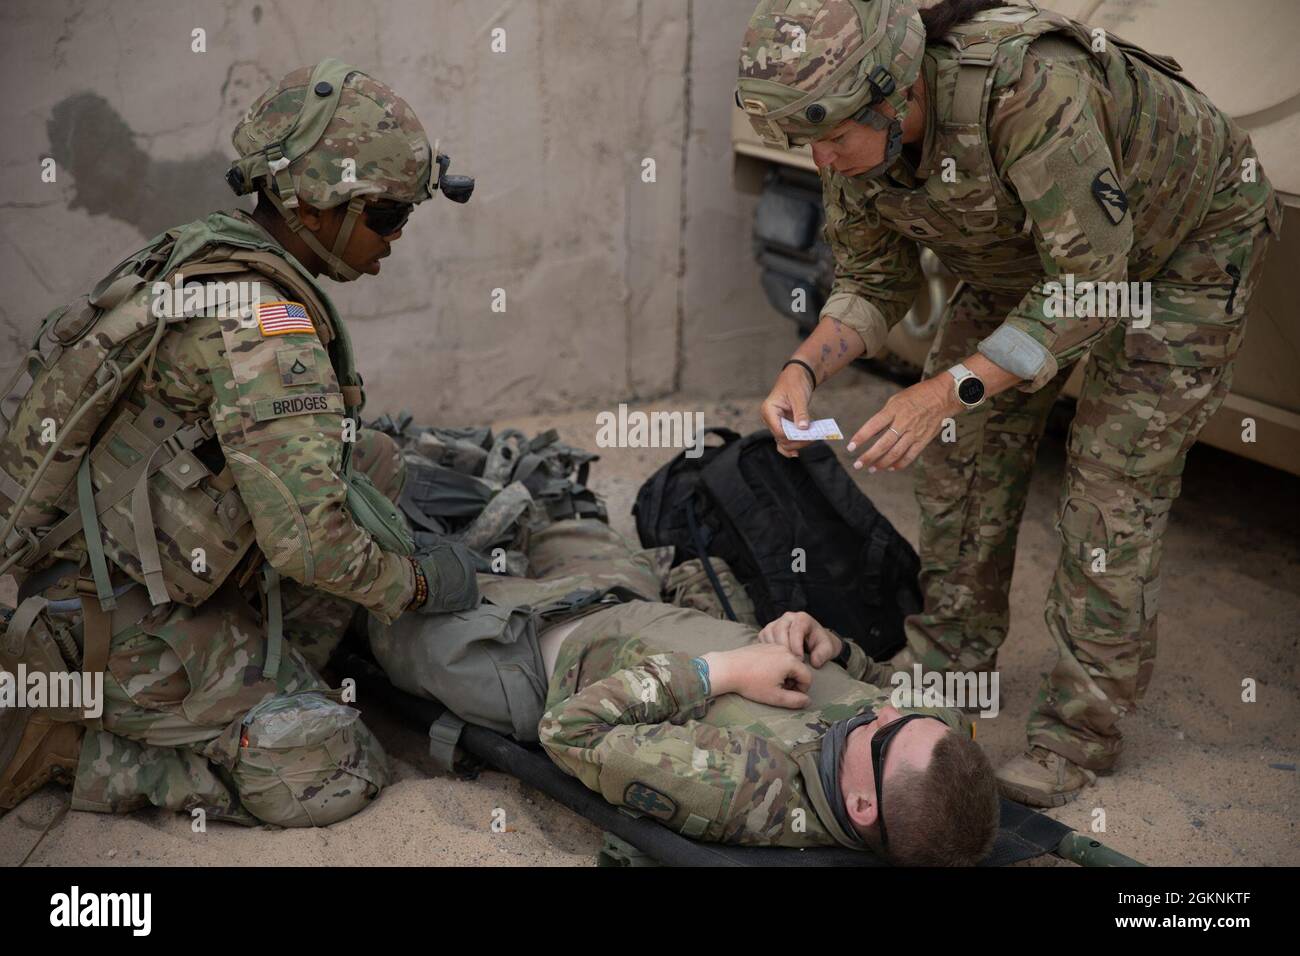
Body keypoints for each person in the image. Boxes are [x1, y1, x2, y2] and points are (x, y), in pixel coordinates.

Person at [739, 0, 1281, 805]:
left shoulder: (1033, 88)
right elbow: (871, 282)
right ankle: (951, 674)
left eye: (834, 137)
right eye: (806, 141)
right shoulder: (849, 135)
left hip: (1182, 252)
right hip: (1035, 259)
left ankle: (1077, 732)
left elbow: (1094, 288)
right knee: (962, 457)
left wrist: (949, 386)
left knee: (1110, 489)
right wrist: (803, 368)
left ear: (896, 94)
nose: (822, 158)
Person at [0, 58, 479, 825]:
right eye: (386, 216)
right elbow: (310, 547)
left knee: (377, 463)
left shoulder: (202, 249)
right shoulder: (266, 329)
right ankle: (78, 750)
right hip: (109, 621)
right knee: (334, 766)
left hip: (125, 562)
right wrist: (419, 585)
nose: (395, 238)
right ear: (314, 209)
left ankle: (265, 678)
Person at [369, 517, 1000, 866]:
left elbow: (569, 731)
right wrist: (835, 647)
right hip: (632, 599)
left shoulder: (740, 785)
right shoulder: (918, 744)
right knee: (558, 515)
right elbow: (886, 685)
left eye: (886, 729)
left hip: (521, 652)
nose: (887, 709)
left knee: (382, 590)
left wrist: (717, 674)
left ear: (862, 807)